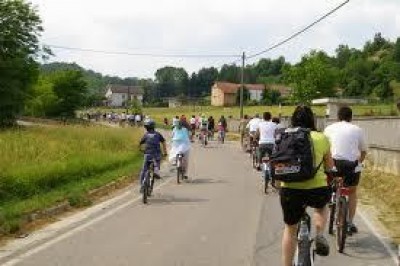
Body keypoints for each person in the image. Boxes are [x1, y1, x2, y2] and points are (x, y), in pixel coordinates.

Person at [280, 105, 334, 266]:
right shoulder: (321, 137)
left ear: (293, 119)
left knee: (290, 229)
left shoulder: (284, 136)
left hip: (290, 189)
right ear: (312, 120)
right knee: (321, 207)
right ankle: (319, 234)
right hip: (316, 189)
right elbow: (329, 166)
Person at [323, 106, 367, 234]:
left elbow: (325, 150)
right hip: (351, 165)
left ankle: (331, 198)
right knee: (352, 192)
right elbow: (364, 151)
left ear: (338, 117)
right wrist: (358, 163)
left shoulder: (329, 128)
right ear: (351, 117)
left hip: (334, 164)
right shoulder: (358, 129)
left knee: (329, 184)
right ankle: (350, 222)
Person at [139, 119, 167, 193]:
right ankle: (156, 171)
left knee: (143, 170)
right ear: (153, 127)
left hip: (147, 154)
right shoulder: (158, 134)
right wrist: (165, 152)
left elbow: (141, 143)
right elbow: (163, 142)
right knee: (157, 164)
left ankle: (142, 185)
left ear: (146, 127)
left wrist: (141, 150)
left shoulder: (146, 135)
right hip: (157, 154)